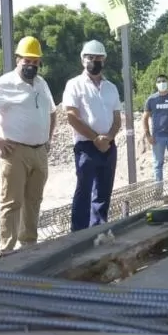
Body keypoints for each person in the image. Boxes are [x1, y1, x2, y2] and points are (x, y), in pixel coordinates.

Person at [0, 36, 56, 255]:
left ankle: (29, 244)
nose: (31, 65)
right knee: (11, 202)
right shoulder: (3, 85)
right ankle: (6, 249)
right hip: (15, 151)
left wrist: (48, 138)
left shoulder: (42, 83)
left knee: (33, 201)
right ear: (17, 59)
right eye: (27, 60)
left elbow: (52, 112)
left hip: (40, 151)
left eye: (36, 61)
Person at [63, 40, 121, 231]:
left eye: (98, 58)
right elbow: (72, 116)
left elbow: (117, 118)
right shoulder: (75, 85)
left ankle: (98, 230)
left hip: (108, 146)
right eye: (90, 57)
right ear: (83, 60)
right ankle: (78, 233)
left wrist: (108, 138)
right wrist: (96, 138)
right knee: (84, 191)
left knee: (103, 192)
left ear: (104, 60)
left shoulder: (111, 87)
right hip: (86, 146)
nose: (94, 61)